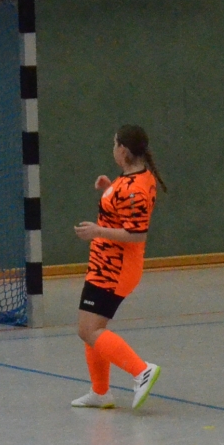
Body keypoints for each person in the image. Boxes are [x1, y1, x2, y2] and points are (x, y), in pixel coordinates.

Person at [69, 124, 163, 409]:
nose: (113, 149)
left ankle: (141, 370)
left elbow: (137, 234)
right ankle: (100, 392)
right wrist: (110, 188)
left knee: (88, 330)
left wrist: (97, 231)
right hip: (103, 264)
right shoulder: (132, 180)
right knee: (93, 329)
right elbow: (124, 210)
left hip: (114, 269)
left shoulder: (135, 189)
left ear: (123, 150)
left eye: (114, 144)